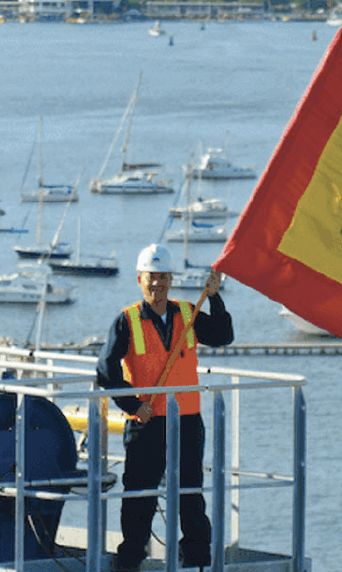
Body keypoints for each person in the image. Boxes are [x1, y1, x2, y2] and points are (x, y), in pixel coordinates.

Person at [96, 243, 234, 572]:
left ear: (171, 279)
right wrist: (132, 403)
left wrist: (214, 296)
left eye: (162, 277)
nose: (157, 284)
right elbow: (106, 370)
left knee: (190, 495)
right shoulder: (126, 321)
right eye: (150, 278)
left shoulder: (188, 312)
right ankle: (129, 562)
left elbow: (223, 335)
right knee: (139, 498)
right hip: (147, 424)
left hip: (187, 421)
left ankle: (198, 562)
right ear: (139, 280)